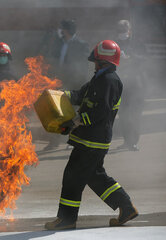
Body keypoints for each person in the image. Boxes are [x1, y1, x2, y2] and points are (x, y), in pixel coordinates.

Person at [44, 40, 138, 230]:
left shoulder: (110, 81)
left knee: (73, 176)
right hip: (90, 139)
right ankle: (126, 207)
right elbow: (80, 95)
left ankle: (67, 219)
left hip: (93, 140)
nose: (93, 64)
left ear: (103, 61)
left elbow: (101, 110)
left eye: (96, 60)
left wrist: (76, 121)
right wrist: (60, 95)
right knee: (95, 176)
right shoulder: (99, 78)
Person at [39, 19, 89, 150]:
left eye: (62, 28)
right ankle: (54, 142)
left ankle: (72, 140)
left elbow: (83, 66)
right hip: (58, 81)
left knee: (71, 112)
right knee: (56, 111)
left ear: (67, 30)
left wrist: (78, 82)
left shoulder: (81, 44)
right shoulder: (58, 43)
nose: (60, 31)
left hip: (73, 83)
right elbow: (52, 60)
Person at [115, 20, 146, 151]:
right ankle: (126, 140)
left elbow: (144, 57)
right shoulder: (114, 43)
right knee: (123, 113)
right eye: (120, 30)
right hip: (121, 83)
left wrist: (130, 57)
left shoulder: (137, 42)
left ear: (129, 30)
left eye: (124, 30)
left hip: (135, 83)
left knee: (135, 114)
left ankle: (133, 141)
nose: (122, 33)